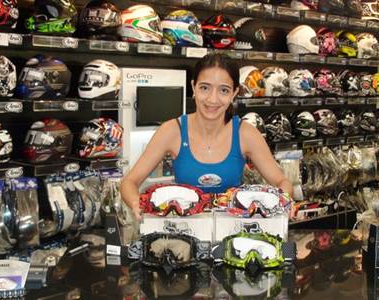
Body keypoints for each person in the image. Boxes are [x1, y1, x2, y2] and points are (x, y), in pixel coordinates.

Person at [121, 53, 293, 220]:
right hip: (184, 233)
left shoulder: (245, 133)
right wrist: (137, 203)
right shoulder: (172, 131)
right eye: (205, 88)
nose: (212, 99)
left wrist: (284, 201)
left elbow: (281, 181)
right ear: (193, 87)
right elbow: (129, 182)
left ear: (234, 93)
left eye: (223, 90)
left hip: (233, 236)